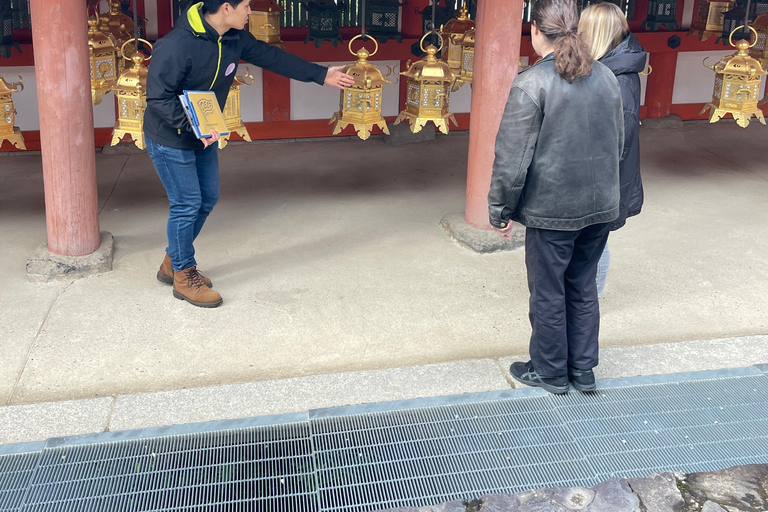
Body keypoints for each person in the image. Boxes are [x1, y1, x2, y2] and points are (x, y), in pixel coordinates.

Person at [144, 0, 354, 308]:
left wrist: (320, 75)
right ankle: (184, 275)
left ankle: (172, 262)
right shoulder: (175, 45)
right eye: (246, 5)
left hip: (205, 132)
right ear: (226, 8)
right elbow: (158, 97)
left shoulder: (234, 37)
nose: (250, 11)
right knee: (187, 203)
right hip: (171, 136)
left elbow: (272, 57)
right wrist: (193, 129)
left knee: (208, 199)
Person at [488, 0, 623, 394]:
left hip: (553, 209)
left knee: (548, 291)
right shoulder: (607, 77)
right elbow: (619, 143)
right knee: (582, 286)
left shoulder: (531, 83)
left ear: (534, 32)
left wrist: (500, 209)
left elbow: (511, 159)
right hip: (600, 204)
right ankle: (582, 369)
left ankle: (549, 371)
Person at [579, 2, 646, 298]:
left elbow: (621, 139)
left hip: (604, 178)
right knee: (588, 241)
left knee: (596, 242)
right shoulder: (609, 67)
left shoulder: (619, 79)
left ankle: (590, 299)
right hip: (595, 174)